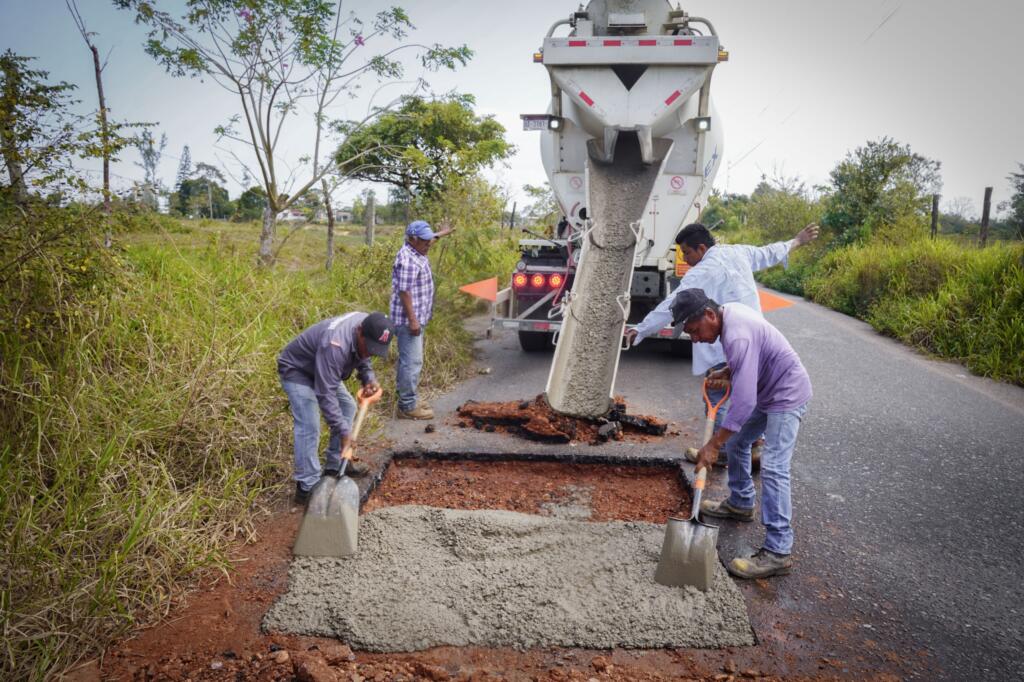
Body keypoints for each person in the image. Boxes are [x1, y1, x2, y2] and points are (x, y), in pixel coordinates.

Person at [625, 222, 818, 465]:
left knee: (717, 395)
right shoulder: (739, 252)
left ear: (702, 248)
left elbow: (673, 304)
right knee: (750, 396)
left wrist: (640, 329)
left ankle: (721, 450)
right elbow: (768, 253)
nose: (685, 257)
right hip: (756, 341)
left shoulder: (701, 272)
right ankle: (752, 445)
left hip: (725, 343)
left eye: (687, 252)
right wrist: (796, 241)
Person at [672, 288, 812, 579]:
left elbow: (744, 401)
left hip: (786, 395)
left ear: (710, 314)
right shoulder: (728, 315)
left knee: (773, 467)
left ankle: (778, 551)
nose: (695, 339)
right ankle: (740, 502)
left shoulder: (737, 335)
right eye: (690, 334)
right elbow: (749, 359)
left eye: (695, 330)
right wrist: (728, 370)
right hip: (767, 390)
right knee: (738, 442)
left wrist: (712, 445)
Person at [278, 311, 394, 504]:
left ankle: (335, 466)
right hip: (298, 370)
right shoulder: (335, 345)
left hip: (323, 368)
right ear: (359, 332)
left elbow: (363, 355)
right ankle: (307, 487)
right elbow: (325, 393)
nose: (370, 352)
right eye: (369, 347)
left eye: (375, 350)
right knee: (309, 425)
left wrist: (368, 378)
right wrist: (344, 432)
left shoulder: (368, 325)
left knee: (347, 406)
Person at [391, 219, 454, 420]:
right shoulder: (407, 260)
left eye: (429, 239)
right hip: (408, 320)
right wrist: (413, 320)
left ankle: (408, 399)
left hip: (417, 317)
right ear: (412, 239)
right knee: (411, 362)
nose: (429, 243)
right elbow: (404, 292)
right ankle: (407, 407)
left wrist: (442, 232)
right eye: (424, 241)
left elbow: (431, 239)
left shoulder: (417, 249)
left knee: (409, 361)